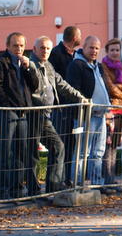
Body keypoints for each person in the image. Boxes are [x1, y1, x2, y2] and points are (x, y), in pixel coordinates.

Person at [0, 33, 41, 199]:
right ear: (8, 46)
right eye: (15, 45)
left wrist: (28, 68)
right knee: (3, 153)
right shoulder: (0, 62)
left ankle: (16, 190)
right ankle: (0, 192)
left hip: (23, 113)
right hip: (7, 113)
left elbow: (34, 86)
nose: (19, 49)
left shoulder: (24, 63)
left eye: (21, 45)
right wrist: (8, 105)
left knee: (20, 153)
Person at [29, 36, 85, 193]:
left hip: (46, 115)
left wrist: (80, 97)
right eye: (42, 48)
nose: (45, 51)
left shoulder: (49, 66)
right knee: (33, 152)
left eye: (48, 48)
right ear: (34, 49)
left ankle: (53, 187)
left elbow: (62, 84)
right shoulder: (29, 65)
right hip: (32, 114)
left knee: (57, 146)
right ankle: (34, 191)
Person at [66, 36, 110, 188]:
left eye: (97, 48)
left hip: (100, 115)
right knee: (82, 152)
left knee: (98, 152)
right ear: (83, 47)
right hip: (85, 116)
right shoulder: (76, 65)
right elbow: (73, 89)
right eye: (91, 47)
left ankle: (96, 185)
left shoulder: (98, 66)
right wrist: (85, 106)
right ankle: (77, 185)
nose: (94, 51)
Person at [49, 25, 82, 185]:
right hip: (61, 107)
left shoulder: (76, 55)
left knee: (71, 145)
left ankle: (68, 179)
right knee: (59, 145)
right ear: (75, 38)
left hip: (74, 108)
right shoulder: (55, 54)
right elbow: (55, 81)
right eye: (80, 36)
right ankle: (56, 181)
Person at [101, 38, 122, 190]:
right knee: (107, 146)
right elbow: (110, 88)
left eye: (117, 50)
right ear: (107, 51)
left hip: (121, 110)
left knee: (115, 145)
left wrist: (121, 89)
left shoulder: (121, 68)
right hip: (110, 110)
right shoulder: (103, 66)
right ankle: (107, 180)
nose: (115, 53)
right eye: (112, 50)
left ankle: (112, 180)